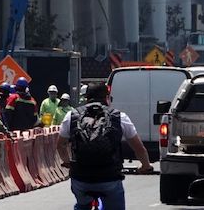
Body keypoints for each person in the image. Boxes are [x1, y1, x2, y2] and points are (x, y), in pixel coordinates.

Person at [58, 82, 152, 210]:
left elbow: (60, 145)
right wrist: (145, 166)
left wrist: (68, 162)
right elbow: (139, 148)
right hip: (110, 178)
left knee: (81, 204)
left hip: (81, 179)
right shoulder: (119, 116)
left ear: (86, 98)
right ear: (107, 97)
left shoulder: (71, 116)